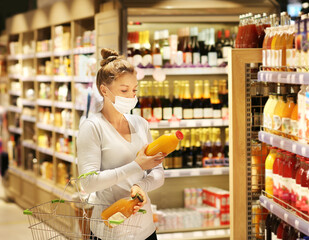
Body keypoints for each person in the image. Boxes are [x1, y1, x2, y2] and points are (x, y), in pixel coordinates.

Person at [77, 48, 165, 240]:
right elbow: (88, 182)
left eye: (134, 90)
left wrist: (142, 185)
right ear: (104, 90)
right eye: (124, 90)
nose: (131, 97)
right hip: (110, 230)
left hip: (145, 229)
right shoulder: (92, 127)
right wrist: (137, 166)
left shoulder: (140, 124)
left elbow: (158, 172)